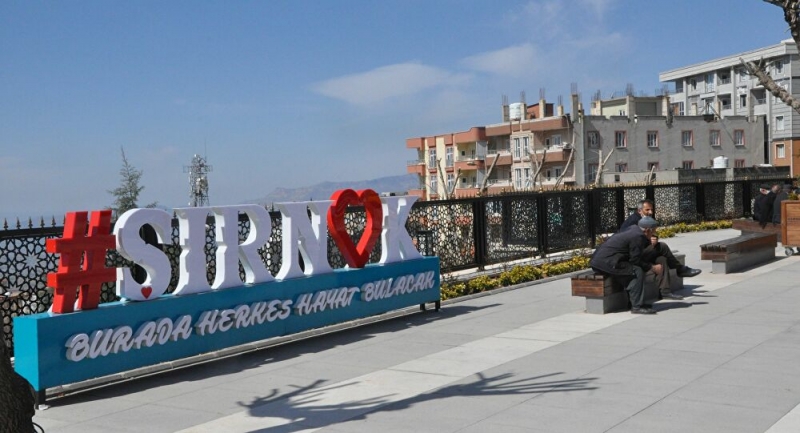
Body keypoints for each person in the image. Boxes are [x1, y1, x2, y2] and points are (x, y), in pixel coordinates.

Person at [620, 199, 702, 297]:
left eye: (651, 209)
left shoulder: (646, 219)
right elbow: (629, 241)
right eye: (647, 210)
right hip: (633, 255)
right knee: (662, 246)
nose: (650, 212)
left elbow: (651, 234)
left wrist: (654, 239)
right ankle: (680, 269)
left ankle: (665, 291)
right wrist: (648, 241)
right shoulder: (633, 222)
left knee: (662, 259)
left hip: (642, 251)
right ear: (639, 211)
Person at [590, 216, 662, 314]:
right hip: (606, 263)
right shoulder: (638, 236)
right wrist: (652, 267)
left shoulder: (634, 229)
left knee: (634, 269)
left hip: (603, 261)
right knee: (637, 271)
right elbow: (635, 260)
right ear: (647, 230)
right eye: (653, 230)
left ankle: (636, 302)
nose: (654, 233)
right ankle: (636, 306)